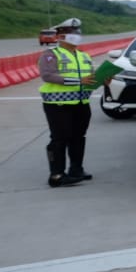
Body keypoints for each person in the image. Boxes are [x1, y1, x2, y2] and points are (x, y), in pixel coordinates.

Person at [38, 17, 96, 187]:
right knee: (59, 139)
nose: (76, 35)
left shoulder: (84, 56)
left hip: (81, 103)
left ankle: (76, 169)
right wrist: (79, 81)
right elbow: (48, 76)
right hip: (58, 105)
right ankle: (56, 175)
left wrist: (103, 79)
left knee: (78, 137)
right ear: (60, 36)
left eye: (78, 32)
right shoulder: (50, 55)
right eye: (72, 33)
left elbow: (89, 77)